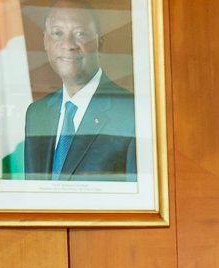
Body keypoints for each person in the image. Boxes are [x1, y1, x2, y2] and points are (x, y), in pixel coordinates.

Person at [24, 0, 136, 182]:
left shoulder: (131, 113)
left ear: (99, 41)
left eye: (80, 34)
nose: (68, 45)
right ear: (46, 41)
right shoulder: (36, 114)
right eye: (57, 33)